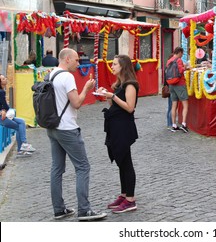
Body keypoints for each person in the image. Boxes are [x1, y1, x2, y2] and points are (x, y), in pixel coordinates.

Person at [47, 48, 107, 221]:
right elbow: (77, 103)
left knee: (56, 168)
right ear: (66, 59)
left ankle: (59, 209)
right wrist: (87, 88)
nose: (78, 63)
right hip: (67, 128)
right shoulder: (67, 77)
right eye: (76, 60)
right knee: (83, 167)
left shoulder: (51, 75)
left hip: (52, 127)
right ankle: (84, 210)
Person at [96, 55, 139, 214]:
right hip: (115, 126)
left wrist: (111, 96)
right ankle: (124, 194)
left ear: (123, 66)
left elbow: (129, 107)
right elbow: (115, 105)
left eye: (114, 64)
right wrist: (107, 95)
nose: (112, 66)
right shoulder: (120, 84)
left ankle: (130, 200)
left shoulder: (130, 85)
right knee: (121, 161)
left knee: (126, 162)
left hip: (124, 127)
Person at [0, 74, 36, 157]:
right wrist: (3, 110)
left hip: (4, 115)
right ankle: (23, 146)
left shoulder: (2, 91)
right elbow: (5, 105)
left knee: (21, 121)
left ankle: (22, 147)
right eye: (3, 79)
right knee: (18, 126)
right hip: (2, 118)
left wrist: (4, 109)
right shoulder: (1, 92)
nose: (5, 79)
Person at [167, 47, 189, 133]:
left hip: (171, 84)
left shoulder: (169, 60)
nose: (182, 55)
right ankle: (184, 124)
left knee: (174, 105)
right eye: (182, 54)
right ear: (179, 52)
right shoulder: (178, 60)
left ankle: (174, 125)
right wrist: (186, 67)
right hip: (179, 84)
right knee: (185, 104)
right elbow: (180, 70)